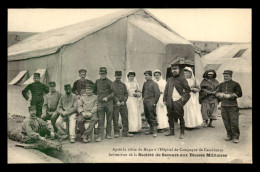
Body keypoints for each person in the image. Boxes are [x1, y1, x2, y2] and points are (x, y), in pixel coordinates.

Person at [163, 64, 191, 139]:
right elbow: (166, 91)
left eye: (176, 69)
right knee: (170, 116)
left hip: (178, 101)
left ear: (179, 70)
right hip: (170, 101)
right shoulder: (169, 79)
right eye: (173, 69)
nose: (174, 70)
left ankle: (182, 132)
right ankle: (171, 131)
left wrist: (182, 99)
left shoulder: (182, 79)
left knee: (180, 116)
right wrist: (165, 100)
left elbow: (188, 90)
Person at [216, 70, 242, 143]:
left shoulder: (236, 84)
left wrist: (230, 96)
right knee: (226, 121)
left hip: (233, 106)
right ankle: (229, 135)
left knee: (234, 121)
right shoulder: (221, 84)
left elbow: (239, 93)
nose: (225, 77)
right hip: (224, 106)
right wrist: (219, 94)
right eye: (224, 76)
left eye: (227, 76)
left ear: (231, 76)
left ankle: (236, 137)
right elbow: (216, 92)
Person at [94, 67, 114, 142]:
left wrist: (107, 98)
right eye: (101, 73)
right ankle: (100, 135)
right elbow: (94, 92)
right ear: (99, 73)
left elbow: (113, 93)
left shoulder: (110, 82)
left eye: (104, 73)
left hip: (108, 103)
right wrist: (98, 98)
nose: (102, 75)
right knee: (100, 119)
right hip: (100, 103)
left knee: (109, 119)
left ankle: (108, 134)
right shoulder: (97, 81)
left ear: (106, 74)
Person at [113, 71, 133, 138]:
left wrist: (124, 101)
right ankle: (116, 133)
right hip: (115, 104)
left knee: (125, 118)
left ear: (121, 76)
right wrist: (117, 101)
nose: (118, 77)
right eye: (117, 76)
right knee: (115, 118)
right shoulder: (112, 84)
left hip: (123, 103)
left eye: (119, 76)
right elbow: (112, 94)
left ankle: (125, 132)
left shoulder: (123, 85)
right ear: (115, 76)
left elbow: (126, 94)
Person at [142, 70, 160, 138]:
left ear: (150, 76)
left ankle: (155, 131)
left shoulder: (154, 84)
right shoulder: (145, 83)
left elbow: (157, 94)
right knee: (147, 116)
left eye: (147, 75)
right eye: (145, 75)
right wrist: (143, 98)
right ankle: (151, 130)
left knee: (152, 116)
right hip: (145, 102)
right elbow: (143, 92)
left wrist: (154, 102)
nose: (145, 77)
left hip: (151, 102)